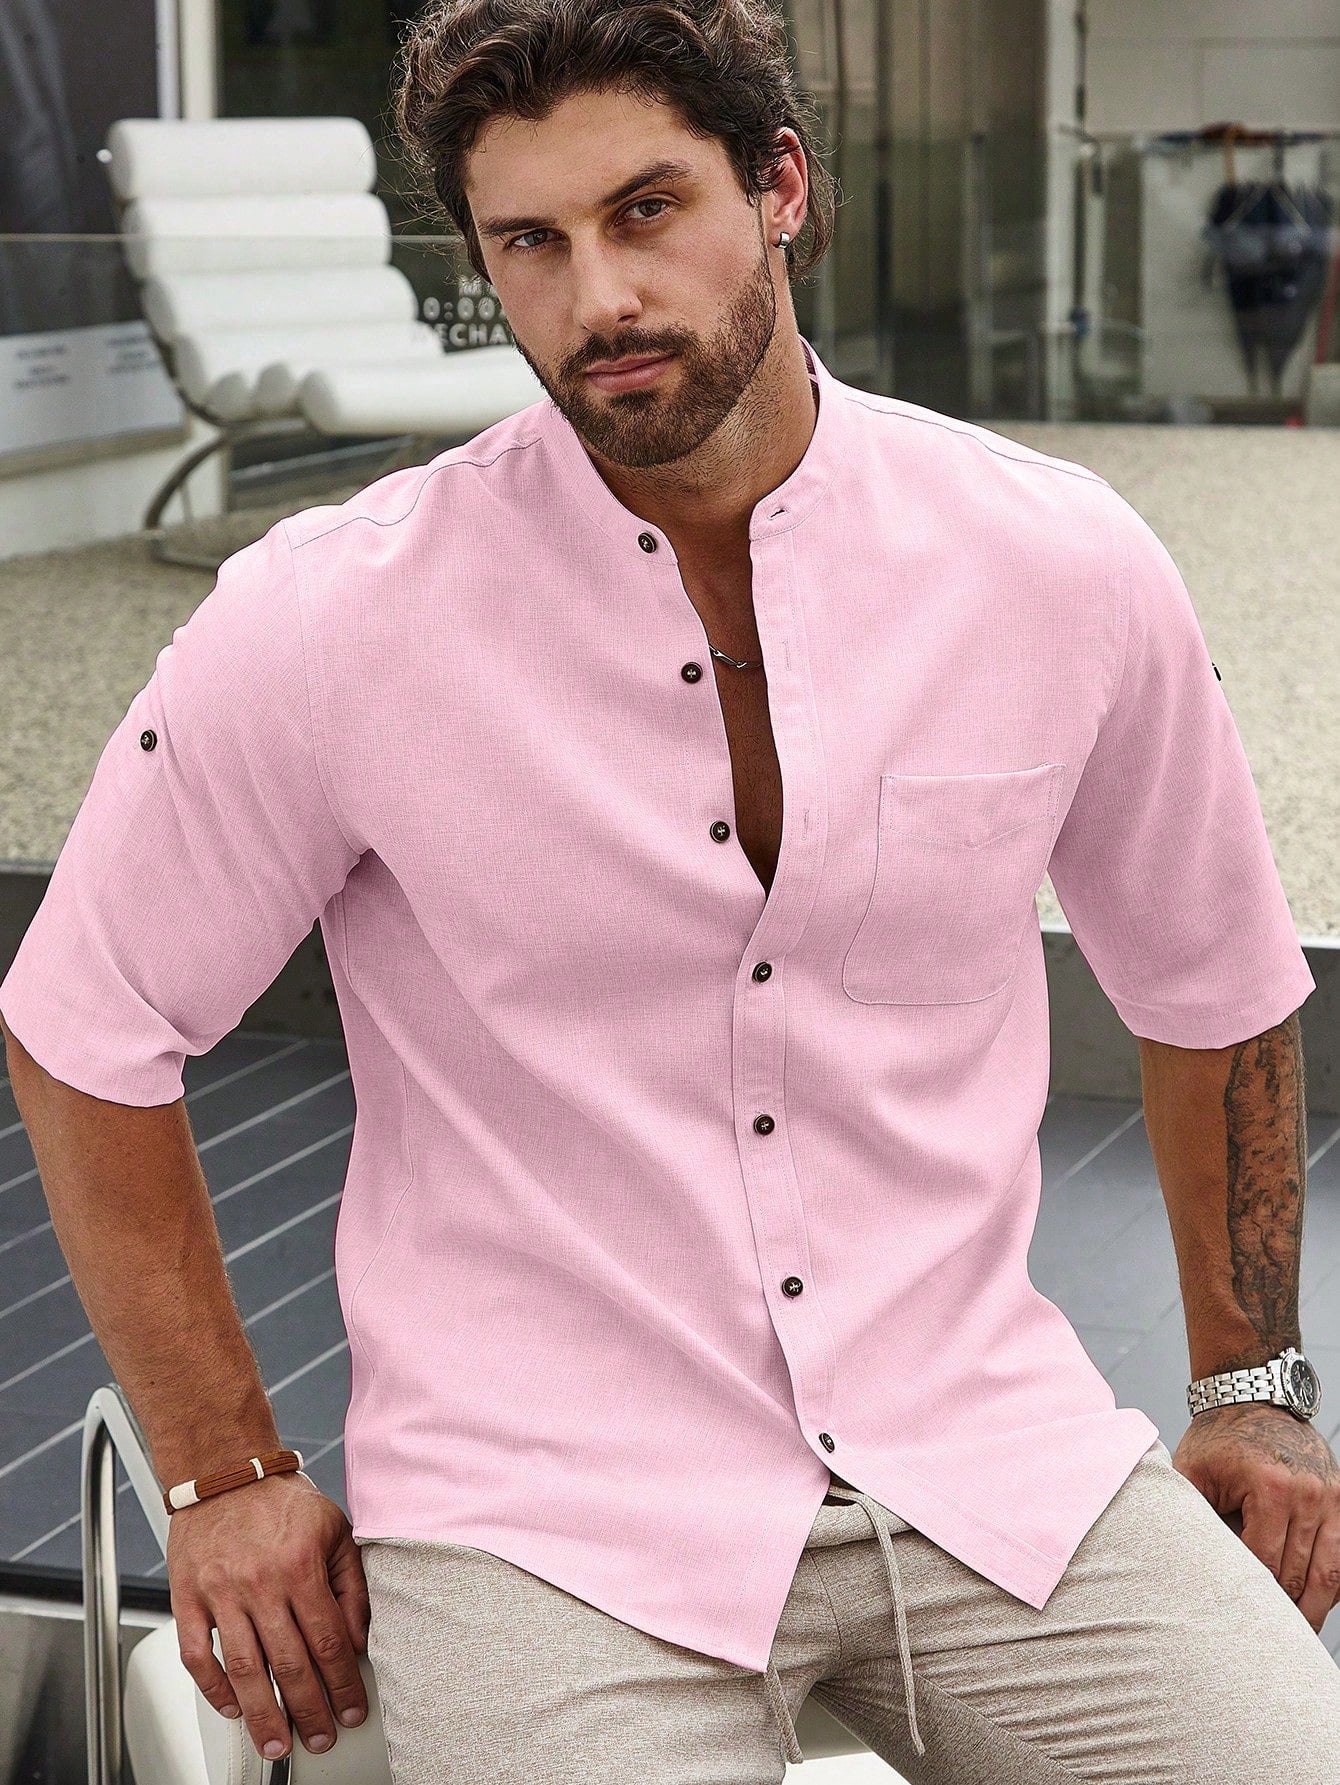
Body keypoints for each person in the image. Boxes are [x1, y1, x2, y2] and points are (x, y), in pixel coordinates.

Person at [4, 0, 1340, 1778]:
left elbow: (1215, 975)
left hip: (984, 1448)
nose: (599, 299)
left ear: (778, 184)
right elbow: (86, 1019)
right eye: (530, 243)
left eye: (646, 210)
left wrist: (1251, 1385)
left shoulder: (1054, 564)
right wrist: (222, 1466)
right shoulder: (332, 620)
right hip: (545, 1513)